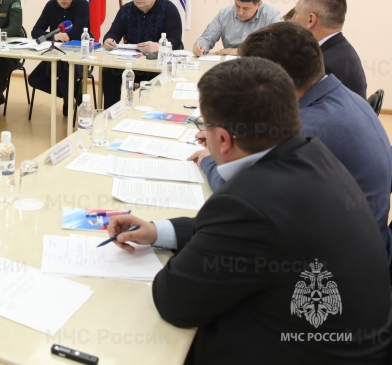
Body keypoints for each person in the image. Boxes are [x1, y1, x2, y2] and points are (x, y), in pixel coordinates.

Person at [107, 57, 392, 364]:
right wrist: (160, 232)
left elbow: (174, 300)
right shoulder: (311, 152)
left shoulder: (249, 200)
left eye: (204, 125)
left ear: (223, 139)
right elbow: (247, 236)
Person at [190, 21, 392, 258]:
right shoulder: (340, 95)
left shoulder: (306, 128)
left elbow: (237, 191)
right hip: (362, 241)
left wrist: (208, 158)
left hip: (339, 262)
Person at [101, 0, 182, 108]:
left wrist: (158, 46)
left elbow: (176, 40)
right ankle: (113, 112)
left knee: (158, 84)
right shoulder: (126, 9)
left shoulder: (169, 9)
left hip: (157, 65)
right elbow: (113, 32)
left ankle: (152, 113)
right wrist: (109, 40)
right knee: (108, 71)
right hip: (132, 64)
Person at [28, 0, 90, 116]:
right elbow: (36, 31)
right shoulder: (50, 5)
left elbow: (77, 33)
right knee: (34, 79)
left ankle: (69, 97)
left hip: (77, 57)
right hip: (55, 55)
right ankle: (74, 92)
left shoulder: (82, 5)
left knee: (65, 81)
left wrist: (65, 36)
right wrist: (54, 36)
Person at [292, 0, 367, 98]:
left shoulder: (323, 66)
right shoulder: (342, 50)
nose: (293, 19)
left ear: (311, 20)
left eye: (296, 13)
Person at [191, 0, 281, 56]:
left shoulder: (272, 16)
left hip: (260, 64)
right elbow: (208, 37)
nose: (240, 12)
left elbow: (277, 47)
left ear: (259, 5)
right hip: (231, 64)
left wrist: (239, 51)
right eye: (237, 6)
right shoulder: (224, 14)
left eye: (245, 8)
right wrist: (200, 47)